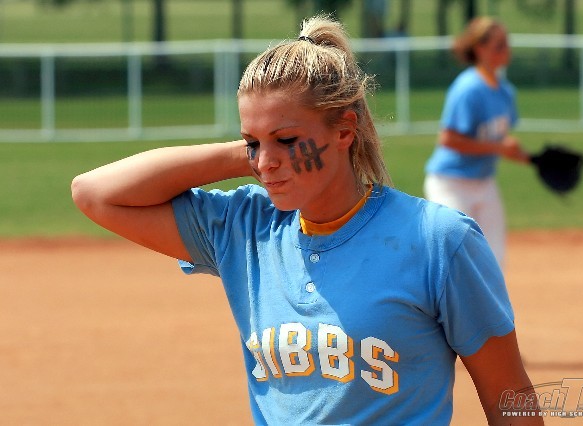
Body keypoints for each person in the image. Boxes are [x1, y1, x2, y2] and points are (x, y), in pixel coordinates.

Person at [72, 15, 541, 425]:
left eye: (286, 139)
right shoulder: (244, 228)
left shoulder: (439, 240)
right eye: (252, 142)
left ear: (344, 130)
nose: (265, 161)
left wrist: (265, 145)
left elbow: (510, 397)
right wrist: (253, 153)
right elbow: (94, 194)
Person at [424, 17, 530, 266]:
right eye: (499, 45)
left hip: (484, 181)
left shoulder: (505, 91)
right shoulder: (468, 88)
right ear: (480, 49)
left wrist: (532, 159)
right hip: (451, 183)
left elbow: (494, 139)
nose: (506, 50)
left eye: (506, 43)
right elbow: (448, 139)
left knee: (493, 260)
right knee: (454, 258)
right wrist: (500, 147)